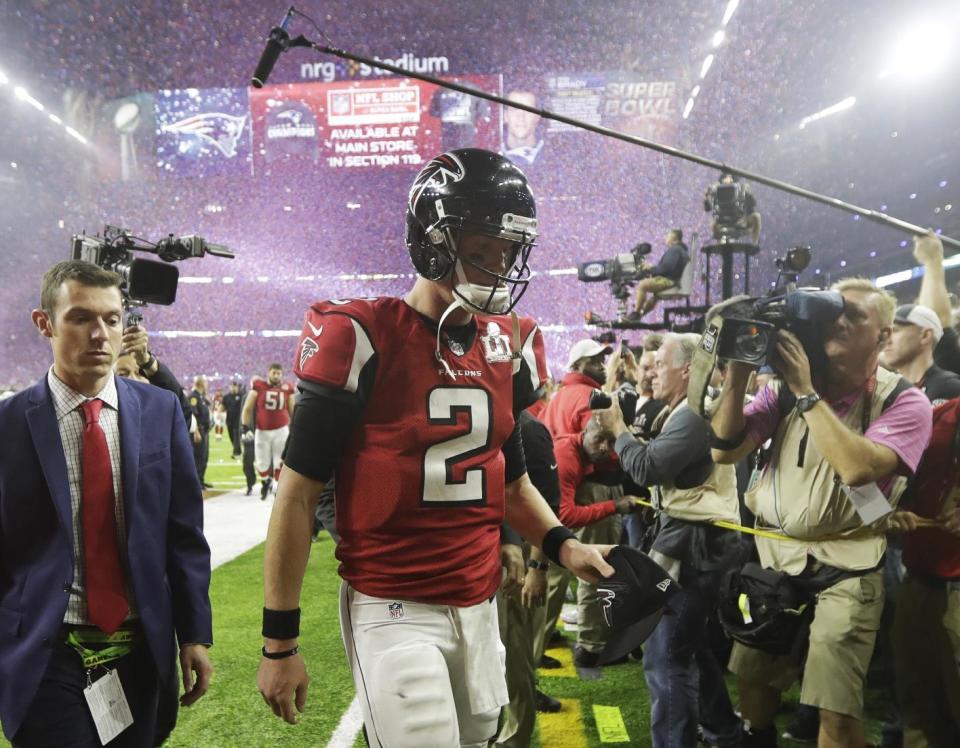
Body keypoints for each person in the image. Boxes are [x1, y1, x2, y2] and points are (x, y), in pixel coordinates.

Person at [256, 148, 614, 747]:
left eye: (508, 248)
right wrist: (279, 642)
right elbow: (296, 497)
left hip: (478, 605)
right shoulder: (362, 334)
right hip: (393, 603)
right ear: (432, 240)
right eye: (482, 247)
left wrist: (563, 544)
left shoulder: (511, 343)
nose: (499, 264)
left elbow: (511, 482)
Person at [710, 277, 933, 747]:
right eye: (834, 310)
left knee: (837, 711)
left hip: (849, 565)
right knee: (754, 690)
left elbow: (857, 469)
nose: (839, 320)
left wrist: (806, 392)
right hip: (775, 558)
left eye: (855, 315)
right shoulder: (786, 389)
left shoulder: (905, 401)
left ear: (885, 335)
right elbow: (725, 450)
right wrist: (736, 373)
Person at [0, 260, 213, 746]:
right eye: (80, 318)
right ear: (45, 323)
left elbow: (183, 535)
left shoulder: (160, 412)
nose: (100, 334)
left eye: (112, 319)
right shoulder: (8, 425)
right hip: (45, 653)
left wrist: (194, 635)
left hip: (139, 652)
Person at [594, 332, 742, 747]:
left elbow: (647, 469)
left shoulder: (694, 414)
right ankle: (724, 730)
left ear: (689, 370)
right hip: (692, 540)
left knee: (666, 657)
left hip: (689, 544)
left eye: (660, 363)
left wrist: (620, 430)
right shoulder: (684, 411)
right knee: (688, 647)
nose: (651, 371)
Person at [553, 416, 638, 668]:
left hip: (594, 495)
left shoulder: (601, 450)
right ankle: (591, 647)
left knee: (603, 572)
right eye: (598, 439)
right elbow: (565, 515)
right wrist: (614, 505)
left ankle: (596, 641)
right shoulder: (567, 455)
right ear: (584, 432)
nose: (604, 446)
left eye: (610, 441)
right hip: (581, 501)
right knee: (593, 572)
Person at [881, 303, 960, 403]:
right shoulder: (887, 391)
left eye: (895, 330)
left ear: (925, 336)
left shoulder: (949, 388)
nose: (887, 340)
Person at [242, 364, 295, 500]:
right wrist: (245, 427)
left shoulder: (287, 388)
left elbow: (293, 410)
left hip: (281, 430)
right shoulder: (259, 386)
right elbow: (247, 407)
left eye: (279, 373)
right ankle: (266, 481)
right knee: (261, 463)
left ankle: (277, 487)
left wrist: (295, 428)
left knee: (280, 461)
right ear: (268, 373)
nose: (276, 376)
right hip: (262, 430)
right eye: (274, 373)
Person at [631, 229, 690, 319]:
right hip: (675, 280)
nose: (665, 238)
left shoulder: (675, 250)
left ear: (673, 238)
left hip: (670, 280)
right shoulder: (681, 250)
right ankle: (640, 315)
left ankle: (636, 313)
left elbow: (666, 268)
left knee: (642, 285)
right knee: (655, 297)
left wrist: (651, 269)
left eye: (667, 236)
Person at [705, 172, 761, 245]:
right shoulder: (717, 192)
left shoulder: (741, 190)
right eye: (726, 178)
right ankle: (721, 245)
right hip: (723, 222)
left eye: (730, 178)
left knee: (756, 217)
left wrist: (748, 194)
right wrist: (707, 197)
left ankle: (755, 243)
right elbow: (708, 207)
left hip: (741, 221)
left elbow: (752, 204)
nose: (728, 181)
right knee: (714, 225)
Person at [501, 89, 543, 167]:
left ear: (537, 116)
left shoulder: (556, 160)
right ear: (505, 115)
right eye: (514, 109)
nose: (521, 117)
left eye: (528, 110)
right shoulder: (490, 157)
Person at [188, 375, 212, 489]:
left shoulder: (201, 396)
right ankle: (197, 482)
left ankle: (201, 481)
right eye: (206, 383)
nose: (207, 385)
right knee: (198, 457)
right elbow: (193, 414)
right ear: (201, 384)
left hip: (205, 430)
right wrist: (196, 431)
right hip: (199, 430)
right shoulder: (193, 397)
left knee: (204, 457)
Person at [222, 380, 244, 458]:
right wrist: (219, 412)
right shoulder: (226, 397)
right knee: (231, 437)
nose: (233, 388)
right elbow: (223, 407)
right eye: (232, 386)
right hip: (229, 421)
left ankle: (237, 453)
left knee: (236, 437)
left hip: (238, 420)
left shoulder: (242, 396)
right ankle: (238, 451)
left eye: (235, 386)